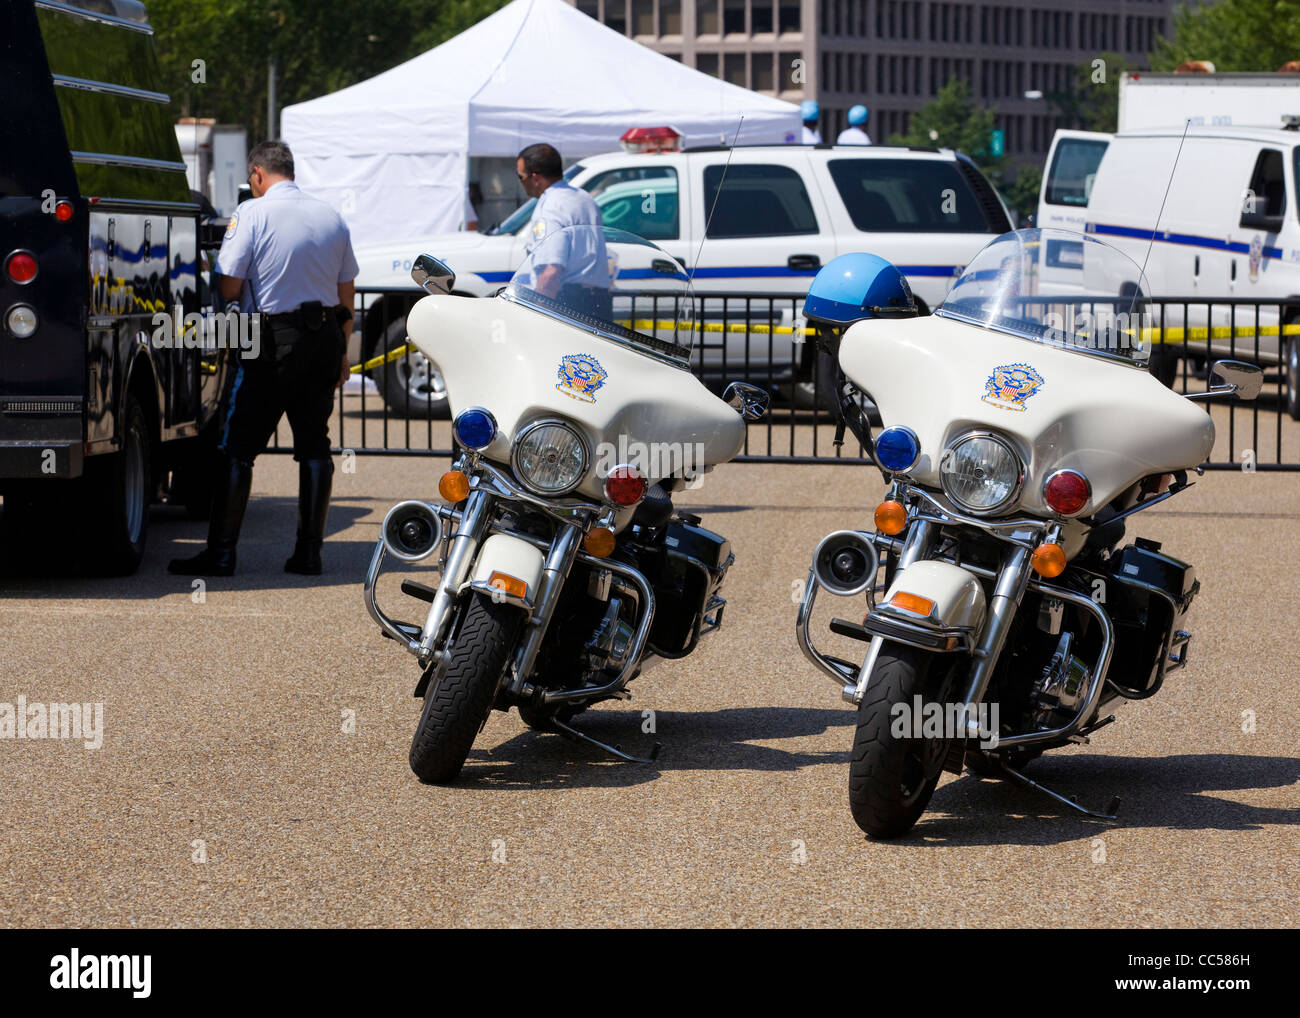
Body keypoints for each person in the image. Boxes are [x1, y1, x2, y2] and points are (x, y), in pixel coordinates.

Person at [168, 140, 357, 578]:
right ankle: (309, 555)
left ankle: (221, 554)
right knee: (314, 447)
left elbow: (231, 288)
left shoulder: (252, 213)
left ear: (257, 174)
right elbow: (345, 293)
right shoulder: (331, 215)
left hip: (270, 341)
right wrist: (343, 353)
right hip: (324, 338)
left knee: (238, 449)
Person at [515, 142, 610, 318]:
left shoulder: (550, 208)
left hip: (567, 302)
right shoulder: (584, 198)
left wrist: (538, 313)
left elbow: (551, 270)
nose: (520, 182)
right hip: (599, 302)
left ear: (535, 178)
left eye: (520, 176)